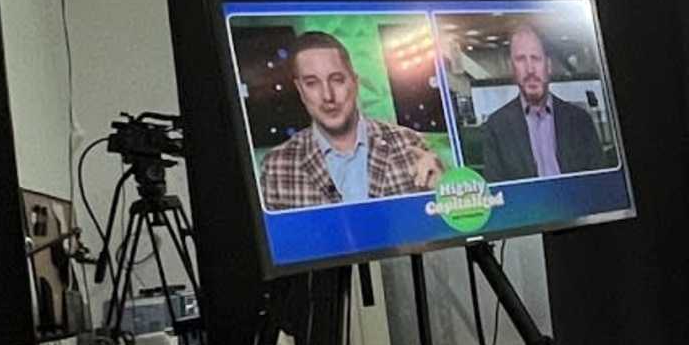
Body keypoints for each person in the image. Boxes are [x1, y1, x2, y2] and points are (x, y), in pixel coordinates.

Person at [256, 31, 440, 209]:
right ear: (300, 90)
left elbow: (438, 228)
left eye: (337, 80)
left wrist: (445, 191)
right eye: (312, 83)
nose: (327, 95)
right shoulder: (276, 167)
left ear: (354, 82)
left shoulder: (409, 145)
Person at [463, 19, 610, 183]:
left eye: (535, 58)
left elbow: (602, 184)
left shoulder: (580, 121)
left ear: (548, 66)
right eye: (520, 59)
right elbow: (500, 194)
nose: (530, 69)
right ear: (512, 68)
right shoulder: (496, 127)